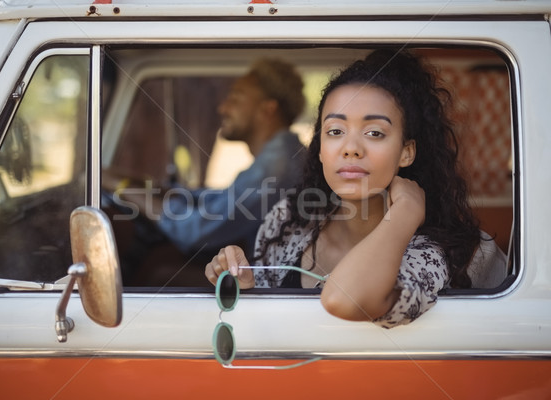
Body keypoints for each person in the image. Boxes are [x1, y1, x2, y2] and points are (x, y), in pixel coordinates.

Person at [205, 49, 507, 329]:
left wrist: (405, 213)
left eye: (374, 133)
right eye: (335, 131)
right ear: (321, 149)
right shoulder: (289, 220)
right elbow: (275, 334)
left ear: (406, 152)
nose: (350, 148)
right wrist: (247, 286)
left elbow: (345, 300)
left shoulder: (438, 249)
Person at [107, 58, 307, 257]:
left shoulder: (275, 168)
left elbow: (196, 231)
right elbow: (221, 200)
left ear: (268, 109)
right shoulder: (282, 157)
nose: (223, 109)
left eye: (235, 99)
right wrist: (156, 189)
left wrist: (123, 187)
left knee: (156, 270)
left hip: (267, 281)